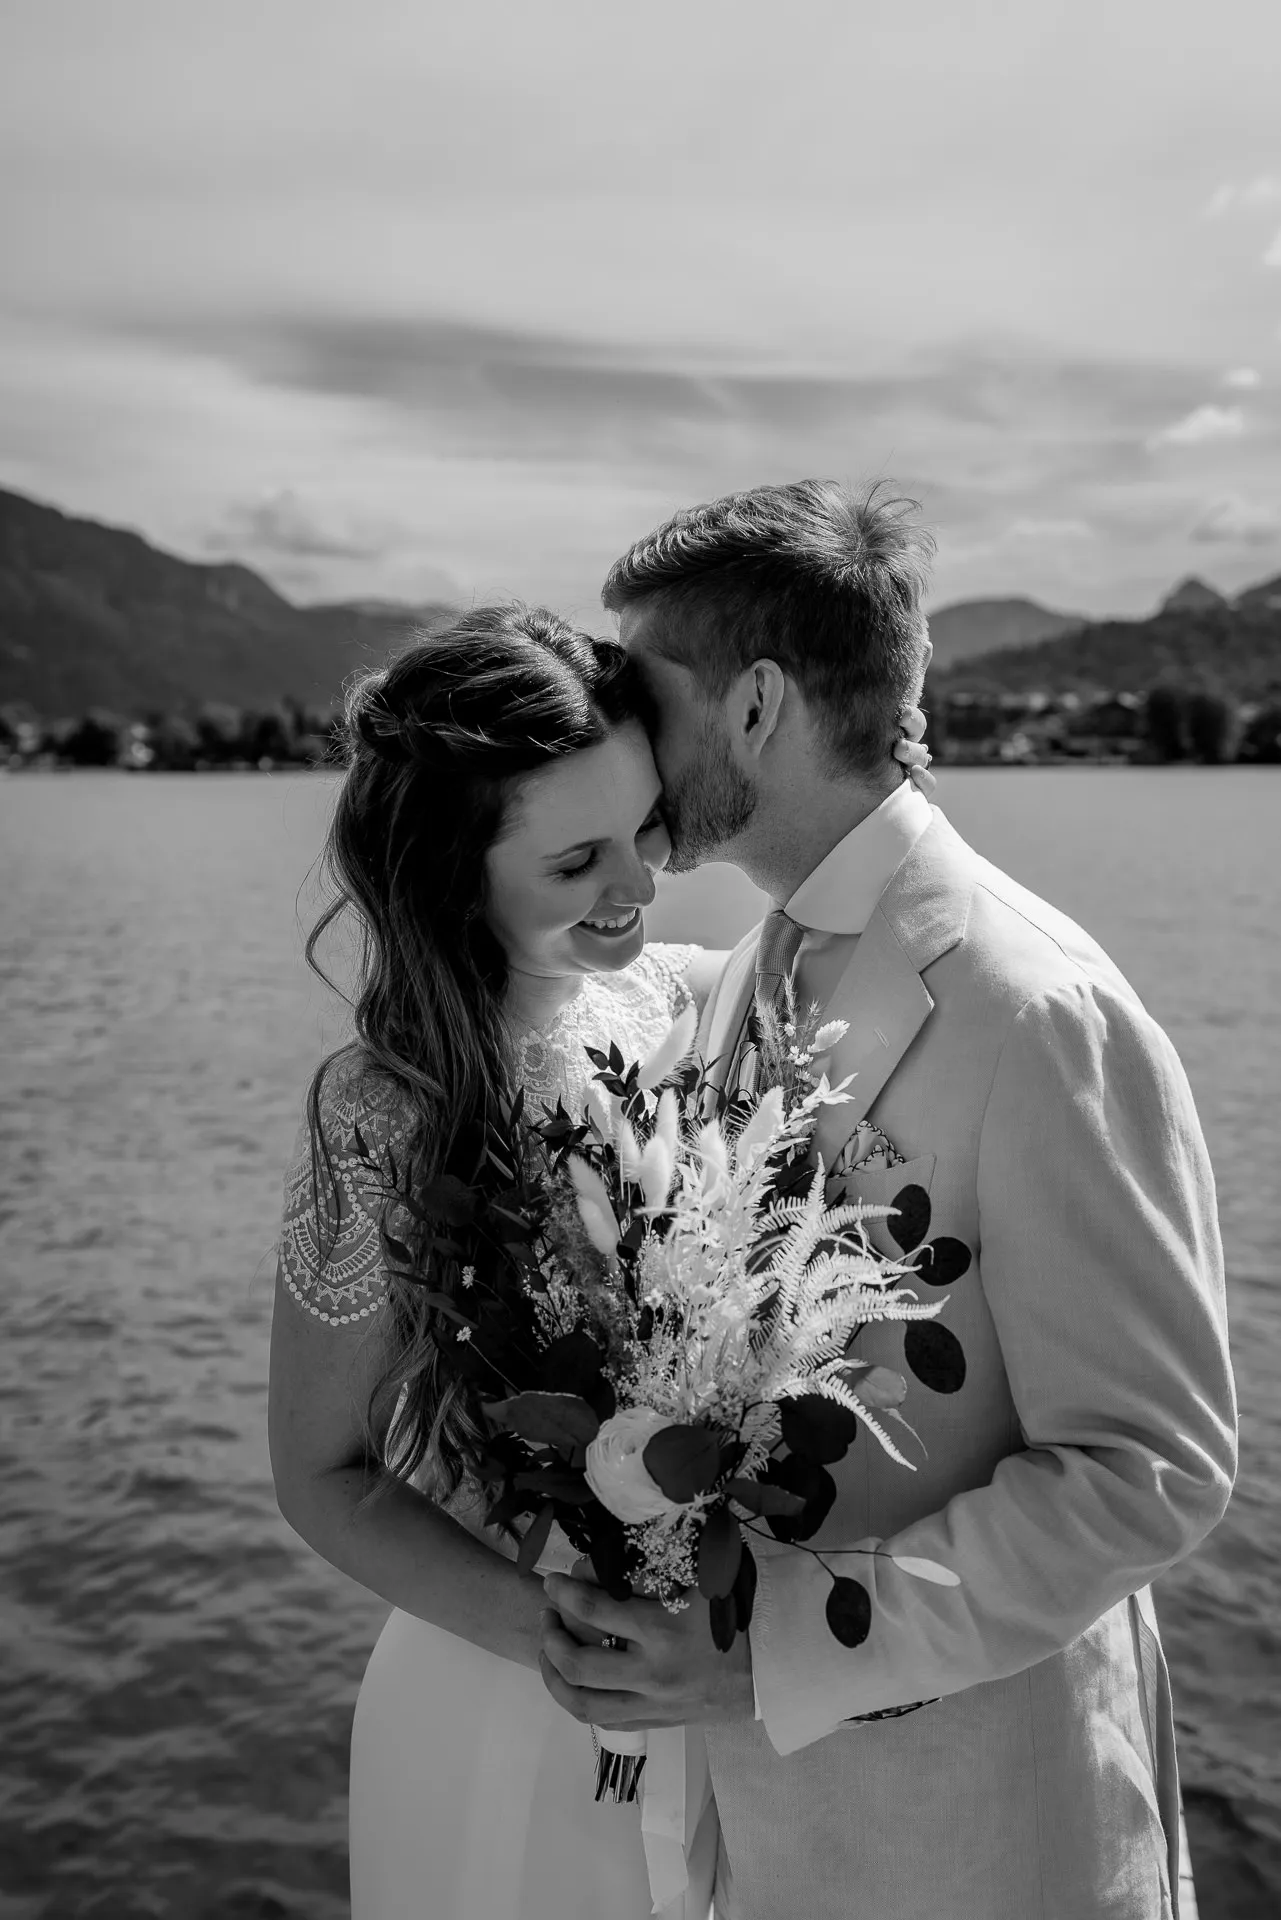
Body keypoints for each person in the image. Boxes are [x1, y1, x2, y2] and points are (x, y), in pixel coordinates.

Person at [537, 480, 1238, 1919]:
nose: (618, 736)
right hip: (769, 1841)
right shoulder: (737, 978)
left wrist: (766, 1649)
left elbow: (1149, 1469)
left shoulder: (1039, 1013)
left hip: (986, 1839)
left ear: (752, 709)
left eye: (639, 691)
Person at [268, 604, 724, 1920]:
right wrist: (560, 1638)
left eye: (645, 830)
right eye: (577, 860)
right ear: (453, 874)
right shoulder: (382, 1112)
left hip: (711, 1696)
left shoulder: (688, 1005)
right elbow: (320, 1475)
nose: (636, 888)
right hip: (502, 1701)